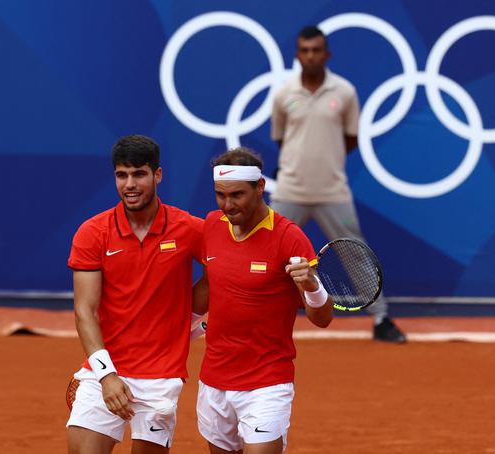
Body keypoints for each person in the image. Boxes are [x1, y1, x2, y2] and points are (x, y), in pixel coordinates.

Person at [66, 135, 204, 454]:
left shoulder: (188, 229)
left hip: (161, 377)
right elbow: (84, 311)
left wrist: (190, 323)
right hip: (104, 371)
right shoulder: (93, 233)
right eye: (121, 175)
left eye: (139, 174)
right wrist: (106, 376)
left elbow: (224, 267)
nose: (130, 184)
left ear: (157, 175)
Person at [193, 147, 334, 454]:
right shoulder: (212, 225)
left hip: (266, 383)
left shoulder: (289, 237)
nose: (228, 205)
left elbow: (322, 318)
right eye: (220, 194)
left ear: (260, 188)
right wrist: (184, 326)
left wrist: (312, 285)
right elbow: (207, 284)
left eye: (237, 195)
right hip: (214, 380)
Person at [270, 25, 406, 343]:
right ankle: (260, 320)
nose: (311, 56)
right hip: (290, 189)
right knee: (268, 254)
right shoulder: (283, 94)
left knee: (356, 254)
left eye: (317, 50)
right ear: (297, 55)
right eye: (305, 50)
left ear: (326, 54)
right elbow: (281, 138)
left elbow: (351, 137)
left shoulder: (344, 92)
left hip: (333, 191)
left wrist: (326, 164)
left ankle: (382, 318)